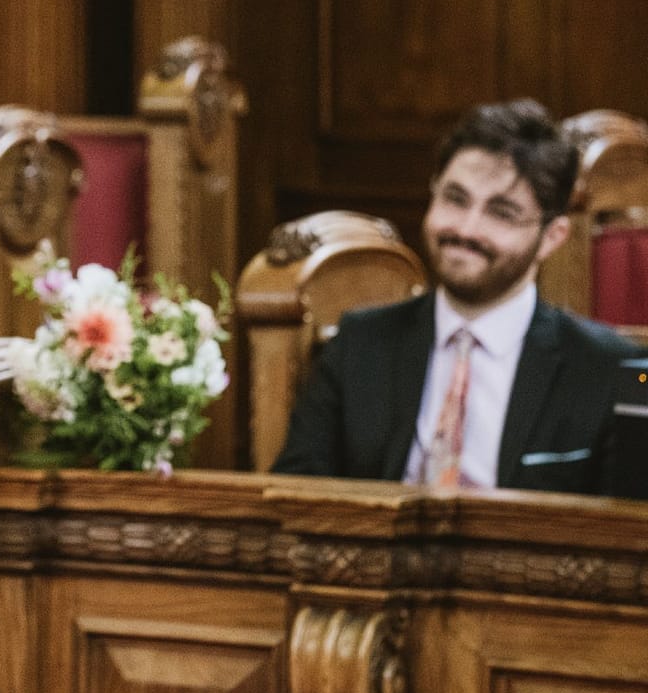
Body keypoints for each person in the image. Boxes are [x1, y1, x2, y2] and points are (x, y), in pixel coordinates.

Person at [274, 100, 640, 496]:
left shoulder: (609, 369)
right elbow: (294, 496)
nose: (467, 229)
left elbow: (626, 536)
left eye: (501, 213)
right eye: (455, 198)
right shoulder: (359, 343)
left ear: (551, 237)